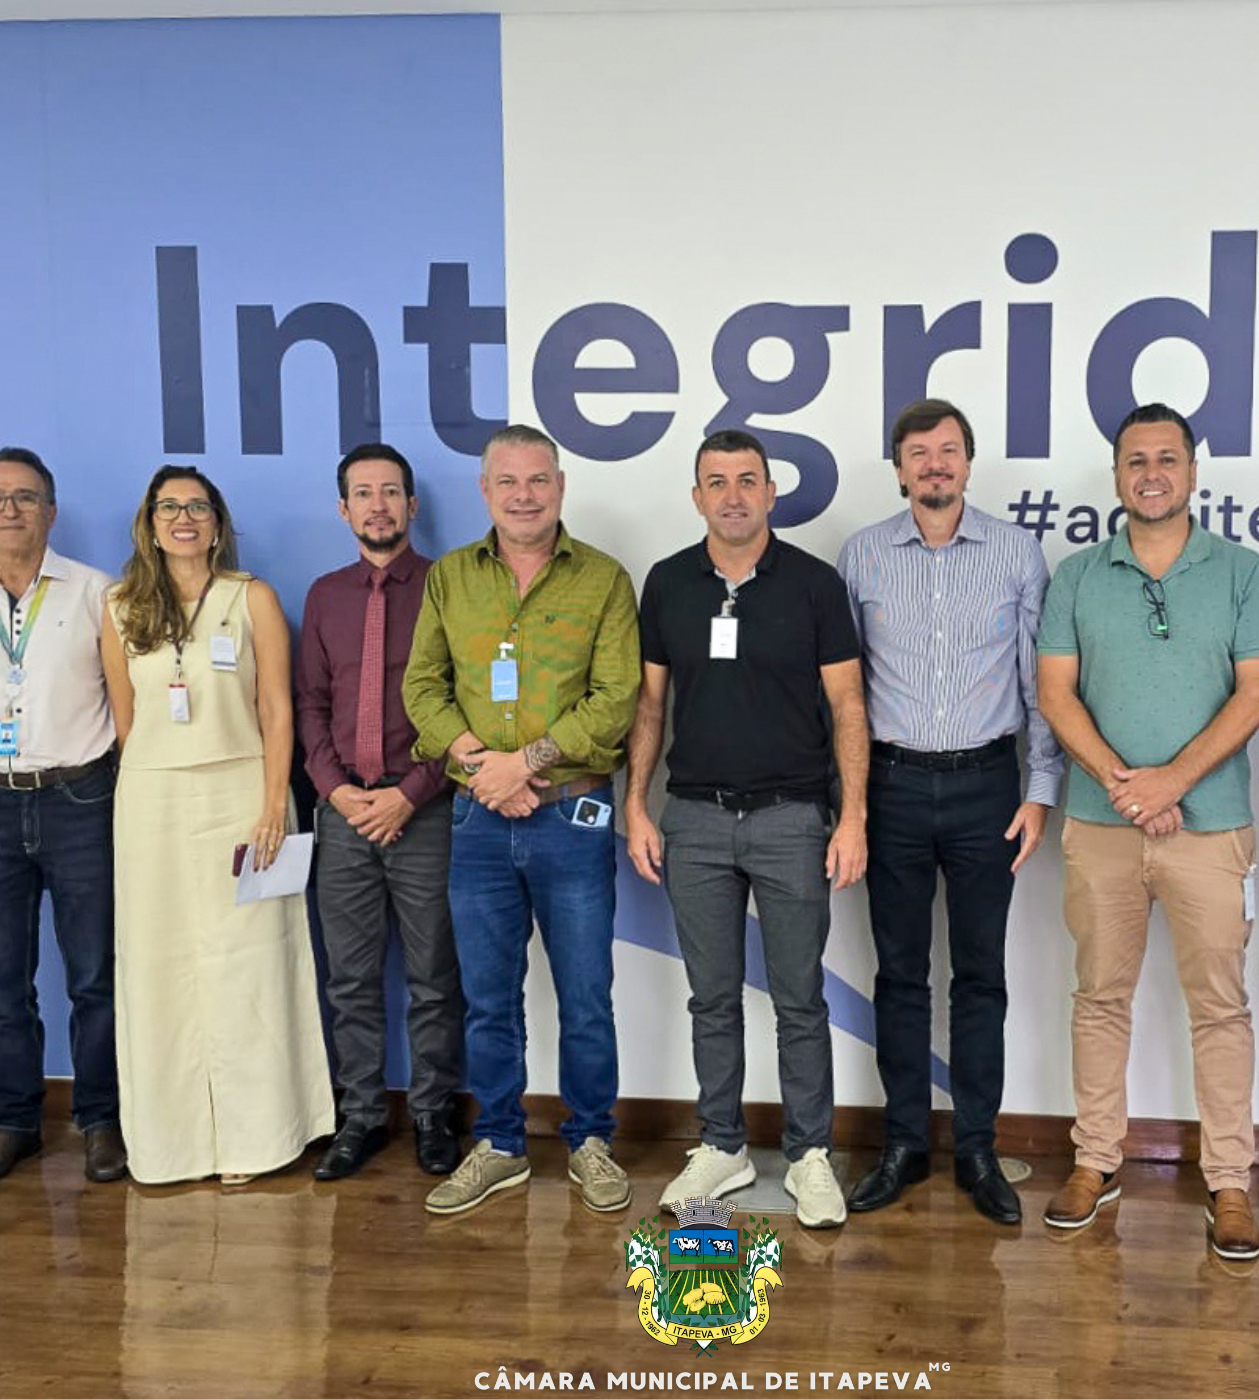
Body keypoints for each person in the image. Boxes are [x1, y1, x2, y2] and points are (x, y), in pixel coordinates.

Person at [1036, 402, 1259, 1259]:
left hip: (1212, 829)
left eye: (1167, 459)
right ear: (1115, 475)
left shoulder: (1243, 573)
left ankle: (1229, 1182)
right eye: (1135, 460)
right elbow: (1055, 694)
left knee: (1220, 1006)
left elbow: (1258, 693)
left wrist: (1173, 782)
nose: (1152, 473)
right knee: (1099, 998)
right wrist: (1127, 786)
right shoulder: (1075, 576)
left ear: (1192, 471)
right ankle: (1095, 1161)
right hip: (1102, 826)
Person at [625, 429, 867, 1230]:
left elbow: (847, 709)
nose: (733, 494)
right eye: (716, 481)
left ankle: (808, 1155)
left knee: (800, 999)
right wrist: (636, 805)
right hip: (692, 818)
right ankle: (723, 1144)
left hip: (794, 819)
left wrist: (853, 815)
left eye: (747, 480)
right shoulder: (667, 584)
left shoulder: (814, 586)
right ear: (696, 497)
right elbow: (651, 707)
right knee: (713, 997)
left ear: (770, 494)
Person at [835, 397, 1064, 1225]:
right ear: (897, 467)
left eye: (949, 450)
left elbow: (1042, 686)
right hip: (891, 789)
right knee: (898, 976)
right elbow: (844, 694)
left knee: (981, 978)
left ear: (970, 462)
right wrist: (850, 806)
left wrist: (1040, 793)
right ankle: (902, 1144)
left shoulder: (1015, 552)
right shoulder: (861, 556)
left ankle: (975, 1146)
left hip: (986, 791)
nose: (935, 464)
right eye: (919, 452)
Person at [402, 424, 639, 1216]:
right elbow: (423, 690)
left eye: (538, 480)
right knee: (488, 996)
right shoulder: (449, 579)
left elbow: (615, 701)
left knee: (586, 992)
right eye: (508, 482)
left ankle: (592, 1140)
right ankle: (500, 1142)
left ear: (561, 485)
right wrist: (481, 768)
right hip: (476, 821)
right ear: (485, 491)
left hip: (572, 813)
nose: (524, 495)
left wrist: (524, 764)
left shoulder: (604, 579)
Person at [98, 465, 333, 1185]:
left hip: (243, 793)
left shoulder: (250, 597)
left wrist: (271, 805)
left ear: (218, 521)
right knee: (158, 966)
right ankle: (174, 1145)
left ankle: (260, 1138)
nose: (184, 517)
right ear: (150, 521)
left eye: (197, 505)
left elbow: (276, 710)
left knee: (252, 964)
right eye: (169, 506)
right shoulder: (118, 606)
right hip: (153, 804)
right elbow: (125, 721)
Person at [0, 447, 127, 1188]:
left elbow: (120, 700)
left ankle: (101, 1120)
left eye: (27, 497)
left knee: (96, 976)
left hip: (81, 798)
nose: (11, 510)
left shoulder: (98, 592)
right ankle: (13, 1123)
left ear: (52, 509)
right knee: (0, 983)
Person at [297, 443, 462, 1180]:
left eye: (391, 493)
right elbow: (312, 704)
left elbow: (466, 705)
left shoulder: (449, 587)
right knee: (351, 977)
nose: (377, 506)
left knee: (433, 974)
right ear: (343, 509)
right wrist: (336, 791)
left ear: (412, 505)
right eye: (362, 494)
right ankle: (360, 1114)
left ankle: (432, 1114)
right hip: (343, 813)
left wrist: (410, 793)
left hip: (423, 807)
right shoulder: (324, 596)